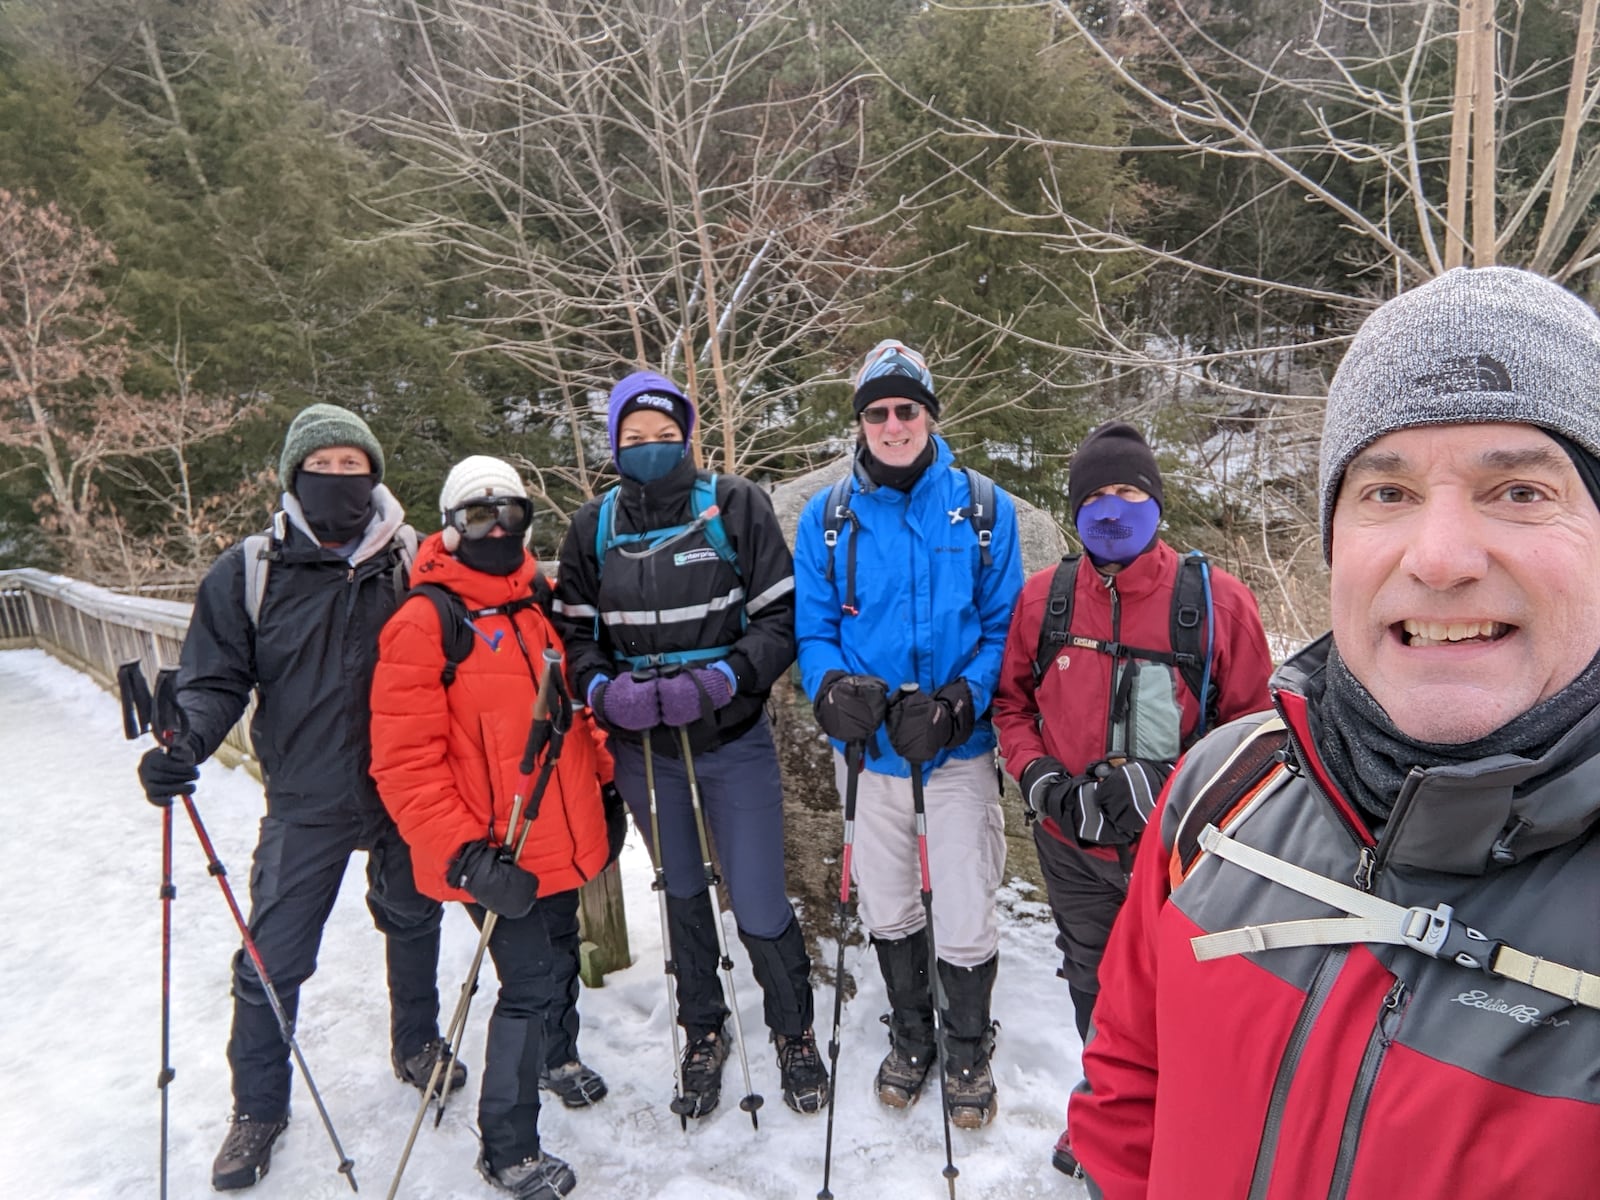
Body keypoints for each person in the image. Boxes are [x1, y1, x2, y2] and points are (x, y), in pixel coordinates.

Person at [1069, 266, 1600, 1199]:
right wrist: (1042, 777)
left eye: (1520, 490)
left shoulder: (1211, 602)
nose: (1438, 559)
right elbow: (1127, 1089)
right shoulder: (1220, 802)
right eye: (1386, 493)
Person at [135, 403, 458, 1191]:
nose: (339, 479)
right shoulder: (251, 570)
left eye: (355, 466)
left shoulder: (414, 559)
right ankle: (258, 1107)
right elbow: (215, 682)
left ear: (376, 476)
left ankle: (417, 1042)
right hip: (306, 792)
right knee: (272, 957)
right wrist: (184, 743)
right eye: (324, 466)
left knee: (413, 917)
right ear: (294, 476)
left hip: (403, 784)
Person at [991, 422, 1273, 1175]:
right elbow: (1011, 706)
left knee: (1189, 991)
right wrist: (1041, 779)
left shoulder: (1216, 603)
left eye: (1129, 493)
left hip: (1185, 857)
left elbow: (1259, 740)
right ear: (1074, 509)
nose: (1112, 510)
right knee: (1092, 981)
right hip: (1072, 847)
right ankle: (1104, 1111)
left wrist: (1171, 789)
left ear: (1156, 503)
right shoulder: (1043, 601)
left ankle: (1184, 1127)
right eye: (1096, 496)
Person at [550, 369, 829, 1119]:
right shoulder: (592, 527)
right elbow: (575, 637)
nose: (650, 447)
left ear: (687, 434)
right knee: (679, 889)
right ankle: (702, 1028)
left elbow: (780, 622)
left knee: (760, 894)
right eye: (633, 438)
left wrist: (722, 681)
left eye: (664, 435)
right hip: (647, 751)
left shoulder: (734, 505)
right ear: (613, 443)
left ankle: (793, 1029)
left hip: (730, 736)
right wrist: (605, 691)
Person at [371, 455, 619, 1200]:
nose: (498, 528)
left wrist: (605, 783)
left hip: (558, 822)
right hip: (493, 844)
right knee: (528, 979)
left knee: (564, 943)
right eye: (479, 516)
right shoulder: (426, 621)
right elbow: (402, 762)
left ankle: (558, 1055)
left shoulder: (536, 603)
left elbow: (574, 709)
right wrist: (463, 855)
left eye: (511, 513)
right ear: (449, 526)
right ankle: (507, 1144)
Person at [794, 339, 1023, 1128]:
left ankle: (967, 1042)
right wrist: (827, 688)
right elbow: (814, 628)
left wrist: (964, 700)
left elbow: (1004, 627)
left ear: (928, 414)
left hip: (954, 748)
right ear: (861, 422)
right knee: (889, 905)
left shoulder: (985, 509)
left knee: (962, 906)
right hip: (869, 752)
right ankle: (912, 1032)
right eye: (878, 412)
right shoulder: (828, 519)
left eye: (907, 409)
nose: (893, 424)